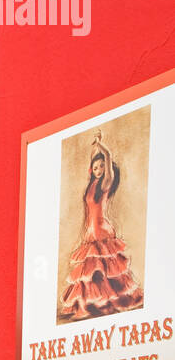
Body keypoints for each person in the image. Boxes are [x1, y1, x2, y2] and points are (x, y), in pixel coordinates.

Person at [59, 130, 143, 322]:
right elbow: (88, 213)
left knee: (106, 270)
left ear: (106, 169)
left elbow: (108, 156)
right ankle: (94, 302)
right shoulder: (92, 185)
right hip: (91, 230)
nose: (98, 170)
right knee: (91, 273)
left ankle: (107, 302)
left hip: (101, 228)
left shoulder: (106, 183)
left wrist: (100, 144)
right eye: (95, 167)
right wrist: (84, 233)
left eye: (101, 167)